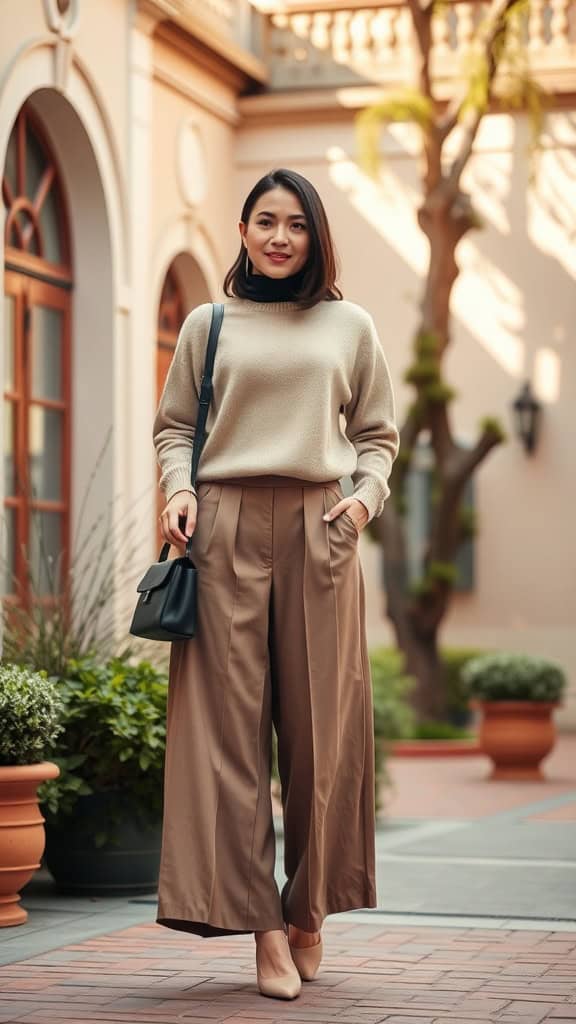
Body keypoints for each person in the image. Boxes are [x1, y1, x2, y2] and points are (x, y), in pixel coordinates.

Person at [153, 168, 399, 1001]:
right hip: (222, 527)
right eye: (266, 221)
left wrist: (361, 504)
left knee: (320, 733)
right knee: (227, 739)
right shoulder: (208, 322)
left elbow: (377, 436)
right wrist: (179, 489)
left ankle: (311, 911)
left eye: (296, 223)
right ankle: (262, 928)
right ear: (245, 229)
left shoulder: (349, 325)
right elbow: (177, 427)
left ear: (315, 235)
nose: (280, 236)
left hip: (320, 529)